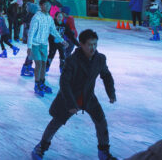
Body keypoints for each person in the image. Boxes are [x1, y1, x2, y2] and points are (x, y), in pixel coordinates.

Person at [31, 29, 117, 160]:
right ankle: (41, 147)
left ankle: (104, 152)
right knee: (56, 123)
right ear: (81, 44)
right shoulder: (72, 60)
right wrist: (71, 103)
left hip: (88, 97)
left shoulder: (100, 59)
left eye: (95, 44)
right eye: (89, 44)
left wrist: (111, 93)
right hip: (70, 96)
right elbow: (64, 83)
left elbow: (106, 75)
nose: (92, 48)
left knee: (101, 122)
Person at [27, 0, 64, 97]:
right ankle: (36, 84)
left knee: (44, 64)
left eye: (49, 5)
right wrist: (29, 47)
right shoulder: (36, 17)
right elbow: (31, 32)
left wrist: (61, 40)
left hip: (44, 45)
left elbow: (53, 31)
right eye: (45, 5)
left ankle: (42, 83)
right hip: (35, 44)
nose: (47, 7)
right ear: (41, 5)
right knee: (38, 64)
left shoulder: (50, 18)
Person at [20, 2, 39, 77]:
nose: (26, 8)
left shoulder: (30, 15)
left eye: (27, 7)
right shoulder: (31, 16)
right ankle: (26, 68)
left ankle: (28, 67)